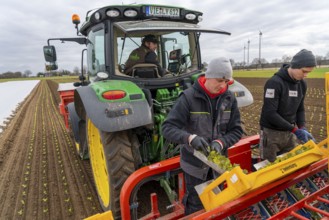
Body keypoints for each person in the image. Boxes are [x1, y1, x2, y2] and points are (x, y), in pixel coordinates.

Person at [162, 57, 243, 215]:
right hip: (195, 167)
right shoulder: (188, 98)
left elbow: (236, 130)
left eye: (226, 81)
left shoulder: (229, 98)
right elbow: (167, 127)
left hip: (218, 165)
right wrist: (190, 139)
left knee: (217, 204)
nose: (222, 85)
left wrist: (220, 142)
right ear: (208, 76)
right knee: (196, 206)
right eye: (219, 80)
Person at [259, 49, 316, 163]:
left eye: (308, 72)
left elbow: (300, 108)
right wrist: (294, 129)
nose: (305, 75)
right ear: (295, 65)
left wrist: (302, 127)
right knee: (269, 168)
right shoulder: (274, 83)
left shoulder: (302, 84)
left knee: (290, 165)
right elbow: (270, 113)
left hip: (290, 133)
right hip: (271, 133)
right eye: (304, 71)